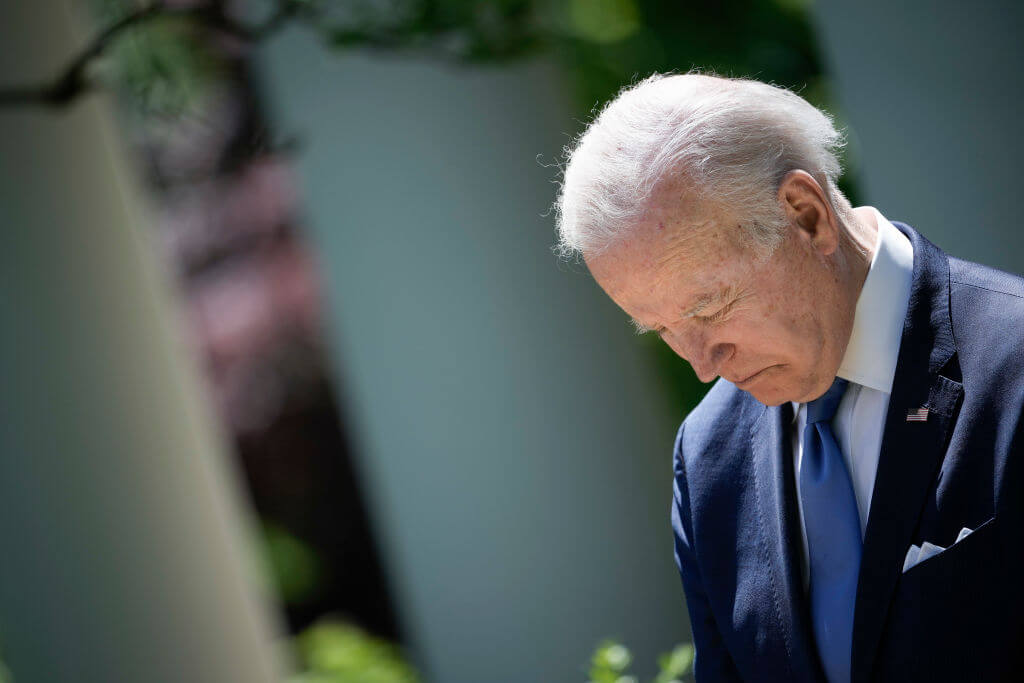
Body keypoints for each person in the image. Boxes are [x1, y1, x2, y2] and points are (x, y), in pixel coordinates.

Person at [555, 73, 1023, 682]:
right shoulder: (707, 455)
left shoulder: (1012, 360)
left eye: (708, 309)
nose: (701, 365)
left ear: (807, 218)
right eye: (661, 329)